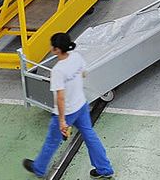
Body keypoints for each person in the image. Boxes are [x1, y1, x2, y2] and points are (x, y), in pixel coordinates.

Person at [23, 33, 115, 179]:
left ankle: (39, 168)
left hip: (67, 112)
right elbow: (84, 73)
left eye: (52, 46)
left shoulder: (58, 70)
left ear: (57, 49)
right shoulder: (76, 57)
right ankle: (104, 168)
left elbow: (60, 98)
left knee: (52, 141)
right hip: (81, 105)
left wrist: (62, 122)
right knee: (90, 136)